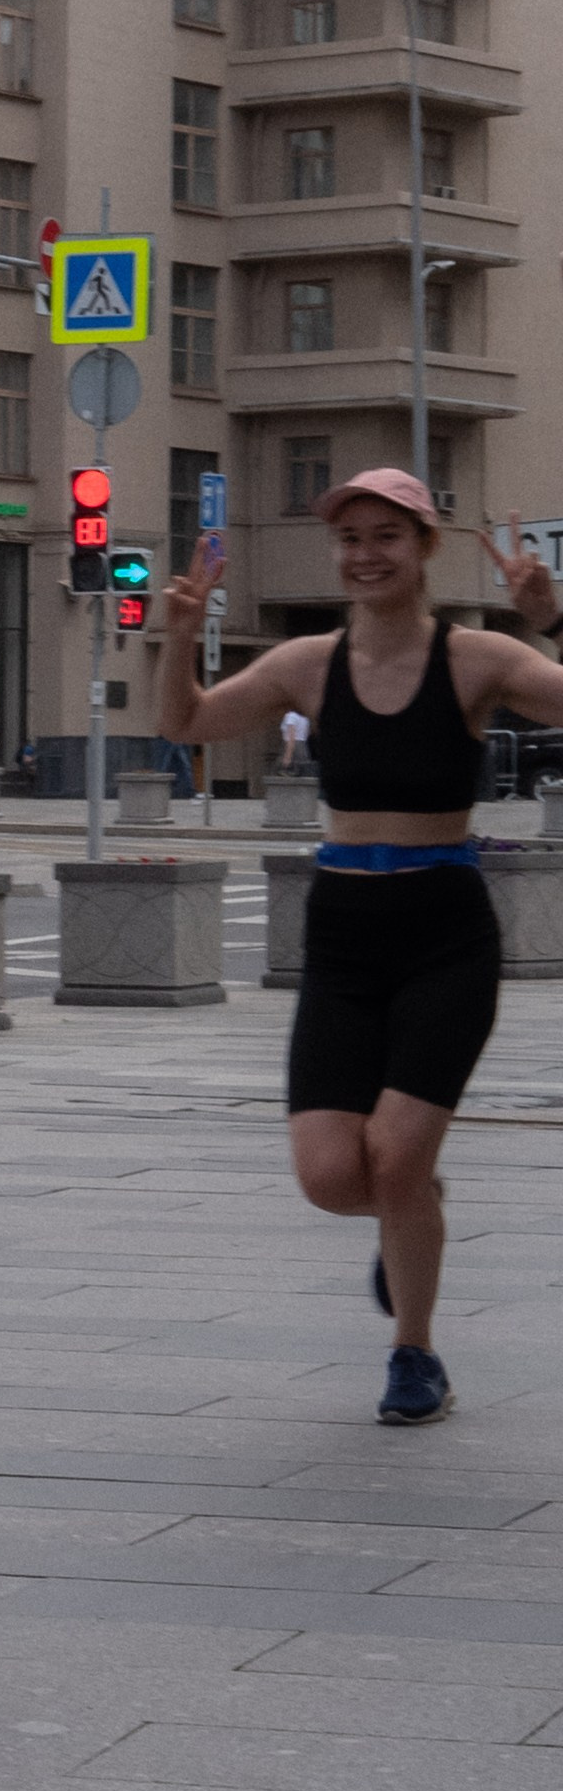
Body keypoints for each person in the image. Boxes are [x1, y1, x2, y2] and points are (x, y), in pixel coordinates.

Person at [159, 473, 563, 1424]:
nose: (366, 553)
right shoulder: (306, 664)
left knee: (395, 1160)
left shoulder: (478, 659)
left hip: (444, 933)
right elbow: (186, 724)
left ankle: (413, 1352)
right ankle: (408, 1203)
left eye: (388, 534)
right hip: (341, 935)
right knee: (333, 1177)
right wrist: (178, 639)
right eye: (350, 537)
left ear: (425, 546)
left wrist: (551, 620)